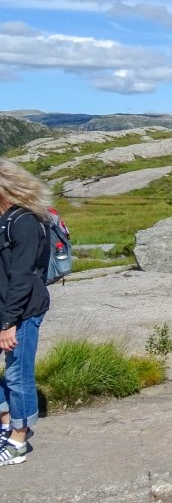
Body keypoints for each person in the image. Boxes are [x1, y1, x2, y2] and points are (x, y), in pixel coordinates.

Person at [0, 160, 53, 464]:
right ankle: (7, 421)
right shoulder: (5, 219)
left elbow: (21, 277)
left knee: (18, 373)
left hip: (22, 311)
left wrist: (9, 323)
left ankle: (20, 439)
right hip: (5, 308)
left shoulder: (26, 222)